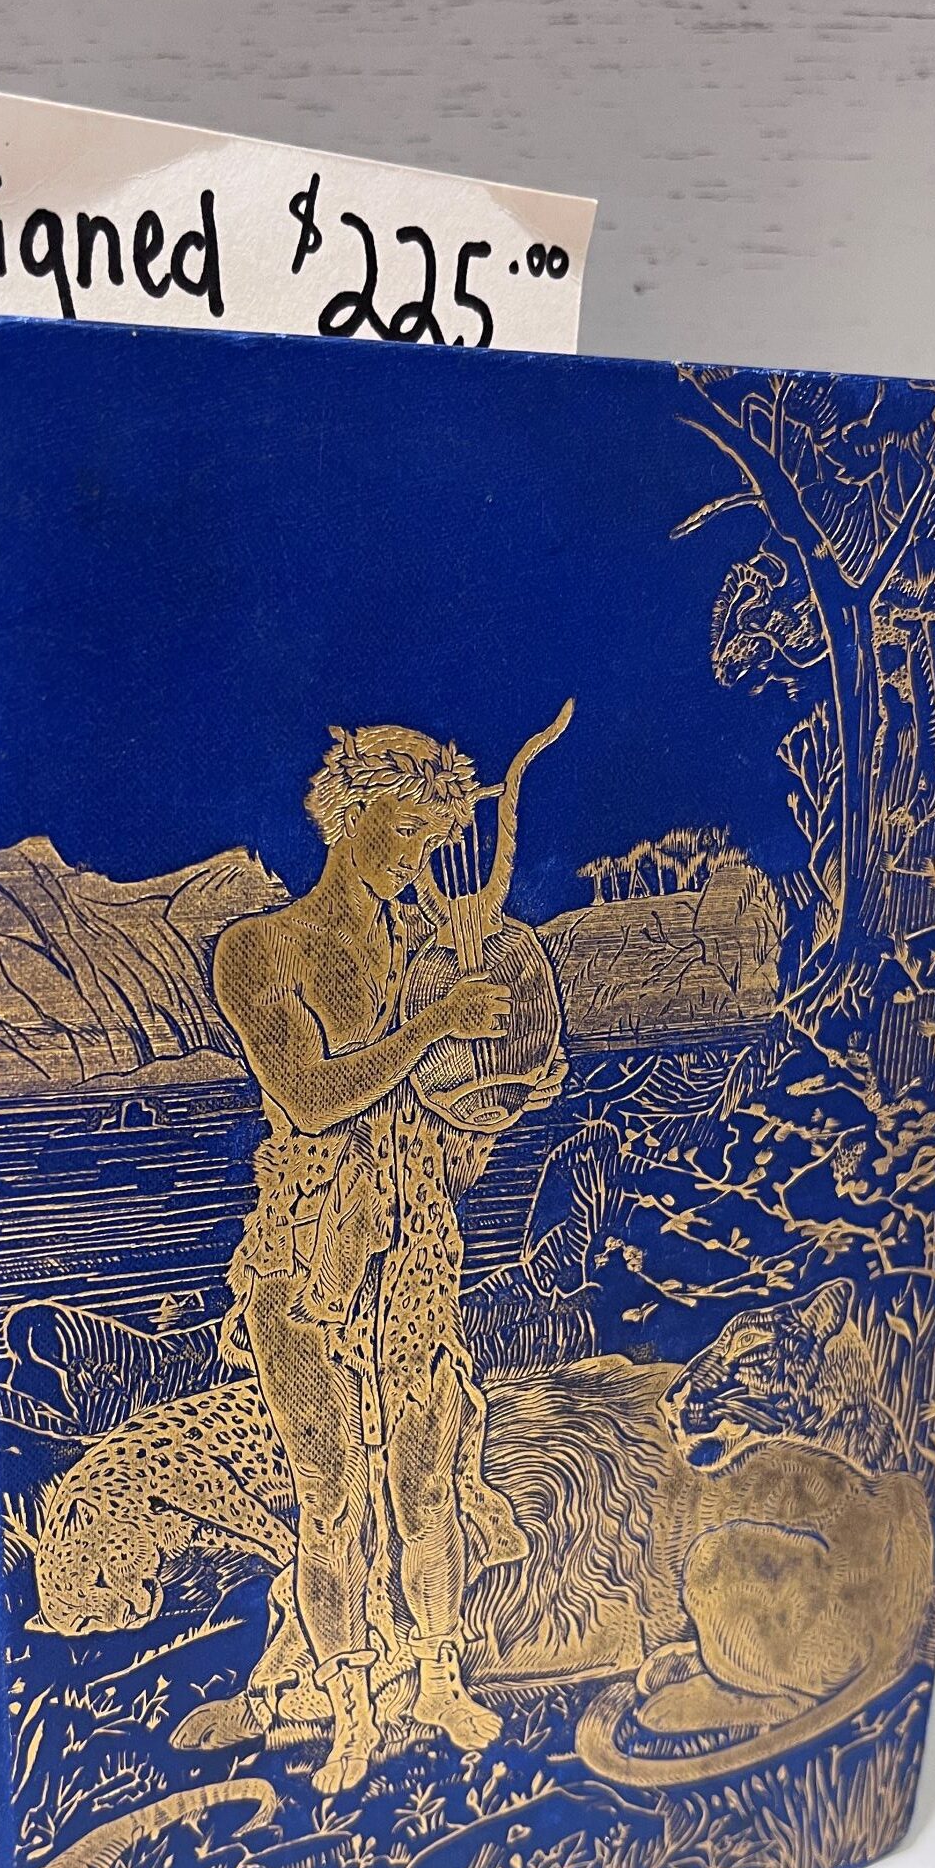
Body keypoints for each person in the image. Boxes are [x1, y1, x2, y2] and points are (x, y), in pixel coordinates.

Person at [212, 724, 554, 1793]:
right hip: (305, 1252)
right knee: (330, 1501)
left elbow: (452, 1100)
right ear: (348, 812)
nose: (417, 856)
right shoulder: (258, 948)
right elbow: (310, 1096)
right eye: (403, 830)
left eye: (433, 837)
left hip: (414, 1239)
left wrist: (504, 1083)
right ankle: (351, 1710)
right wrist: (436, 1025)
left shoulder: (430, 944)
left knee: (427, 1484)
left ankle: (439, 1675)